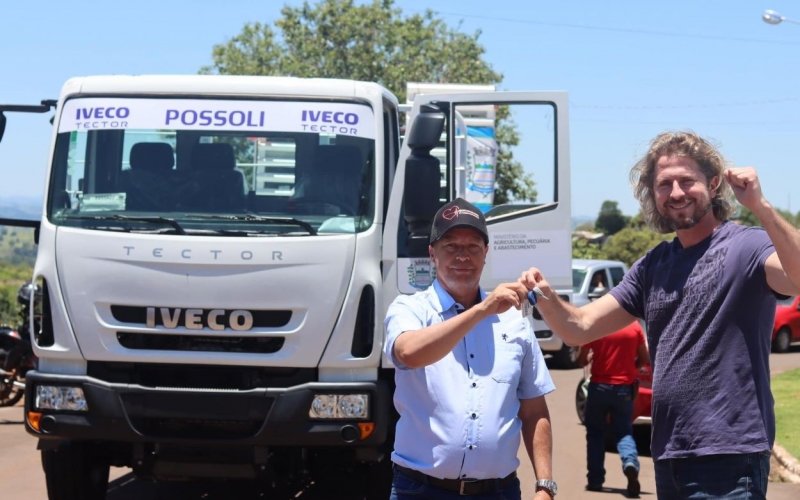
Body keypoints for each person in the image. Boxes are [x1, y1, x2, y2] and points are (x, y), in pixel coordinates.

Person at [519, 131, 800, 499]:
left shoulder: (746, 246)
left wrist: (760, 205)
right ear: (653, 194)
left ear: (713, 184)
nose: (677, 193)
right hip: (670, 455)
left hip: (730, 456)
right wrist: (542, 294)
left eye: (687, 180)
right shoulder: (653, 266)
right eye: (664, 184)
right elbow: (579, 329)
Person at [384, 197, 557, 500]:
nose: (462, 256)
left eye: (472, 247)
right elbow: (408, 353)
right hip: (420, 490)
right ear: (432, 254)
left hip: (498, 491)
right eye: (451, 246)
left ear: (485, 254)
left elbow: (533, 409)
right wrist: (482, 310)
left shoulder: (514, 319)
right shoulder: (409, 309)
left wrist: (546, 485)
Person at [576, 321, 648, 497]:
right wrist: (632, 367)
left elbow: (581, 359)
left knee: (595, 434)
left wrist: (593, 357)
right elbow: (644, 359)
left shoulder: (597, 326)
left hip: (599, 387)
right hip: (624, 388)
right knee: (624, 432)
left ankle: (595, 480)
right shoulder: (634, 327)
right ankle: (630, 463)